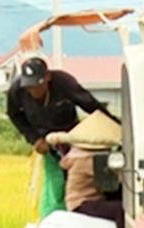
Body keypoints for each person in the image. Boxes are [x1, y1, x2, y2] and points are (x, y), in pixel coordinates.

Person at [6, 56, 119, 212]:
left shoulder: (63, 83)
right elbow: (14, 115)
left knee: (79, 182)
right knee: (55, 184)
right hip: (45, 140)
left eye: (38, 86)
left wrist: (116, 126)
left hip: (71, 136)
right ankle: (52, 218)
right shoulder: (17, 90)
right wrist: (34, 139)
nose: (34, 91)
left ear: (47, 77)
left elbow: (91, 106)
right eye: (29, 87)